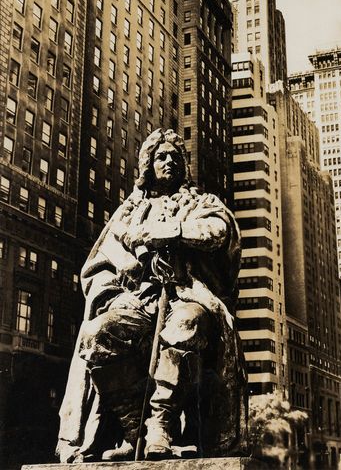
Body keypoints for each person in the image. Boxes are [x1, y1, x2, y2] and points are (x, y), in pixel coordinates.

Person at [57, 129, 247, 462]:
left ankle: (162, 426)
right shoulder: (129, 210)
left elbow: (218, 232)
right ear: (149, 162)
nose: (169, 161)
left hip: (187, 295)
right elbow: (100, 262)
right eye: (161, 156)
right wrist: (125, 265)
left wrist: (170, 232)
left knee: (187, 324)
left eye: (176, 156)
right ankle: (135, 431)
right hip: (137, 298)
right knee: (95, 335)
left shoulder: (201, 203)